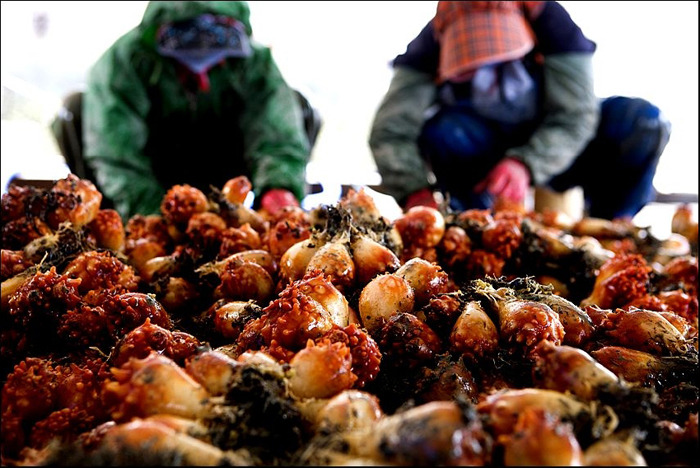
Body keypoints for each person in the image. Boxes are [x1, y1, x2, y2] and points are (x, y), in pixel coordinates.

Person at [369, 1, 671, 220]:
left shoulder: (553, 23)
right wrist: (415, 193)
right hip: (483, 154)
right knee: (444, 131)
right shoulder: (428, 44)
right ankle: (473, 224)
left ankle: (611, 226)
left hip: (563, 146)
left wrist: (526, 163)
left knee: (642, 120)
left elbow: (576, 116)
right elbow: (390, 132)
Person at [79, 1, 314, 220]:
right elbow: (117, 156)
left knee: (299, 105)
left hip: (227, 182)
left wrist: (279, 188)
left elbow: (278, 134)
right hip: (153, 180)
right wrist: (156, 219)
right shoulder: (124, 63)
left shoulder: (254, 64)